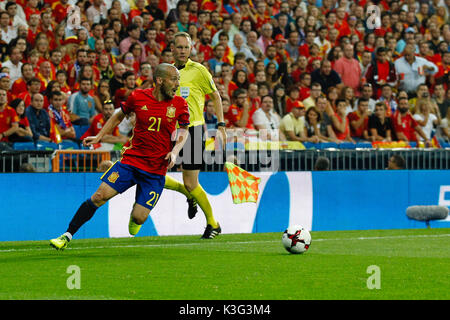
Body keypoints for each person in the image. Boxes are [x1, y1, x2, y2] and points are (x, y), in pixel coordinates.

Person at [49, 63, 191, 250]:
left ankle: (137, 211)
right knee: (99, 196)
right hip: (131, 162)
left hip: (156, 169)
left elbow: (184, 130)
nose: (177, 84)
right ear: (159, 80)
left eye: (178, 80)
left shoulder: (180, 104)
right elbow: (118, 116)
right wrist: (99, 136)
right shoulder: (138, 97)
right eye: (174, 79)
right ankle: (66, 236)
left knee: (139, 217)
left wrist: (175, 151)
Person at [163, 32, 226, 239]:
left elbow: (216, 96)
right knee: (154, 175)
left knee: (192, 182)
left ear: (190, 50)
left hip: (192, 131)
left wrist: (221, 124)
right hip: (169, 131)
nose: (182, 51)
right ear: (172, 49)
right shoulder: (167, 72)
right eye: (178, 47)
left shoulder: (199, 71)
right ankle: (187, 195)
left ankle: (213, 224)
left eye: (186, 47)